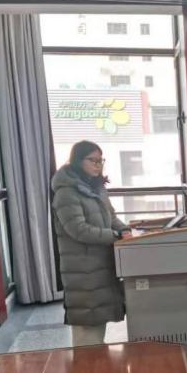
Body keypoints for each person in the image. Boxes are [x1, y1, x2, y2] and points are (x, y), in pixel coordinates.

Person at [52, 140, 132, 347]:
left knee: (97, 326)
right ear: (78, 160)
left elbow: (111, 217)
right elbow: (79, 230)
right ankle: (86, 368)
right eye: (93, 160)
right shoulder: (66, 193)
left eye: (100, 160)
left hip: (100, 266)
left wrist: (126, 230)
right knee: (87, 333)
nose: (98, 165)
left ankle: (96, 366)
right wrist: (115, 235)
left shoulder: (96, 188)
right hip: (82, 270)